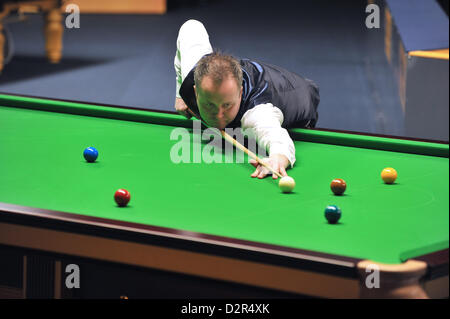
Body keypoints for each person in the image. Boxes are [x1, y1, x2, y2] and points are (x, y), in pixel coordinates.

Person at [174, 19, 319, 179]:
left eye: (227, 105)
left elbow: (277, 139)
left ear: (240, 92)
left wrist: (278, 159)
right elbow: (191, 27)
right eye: (210, 105)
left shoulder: (257, 111)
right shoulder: (195, 73)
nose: (219, 116)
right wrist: (180, 95)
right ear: (196, 91)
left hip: (298, 96)